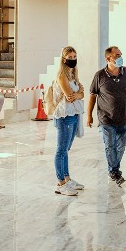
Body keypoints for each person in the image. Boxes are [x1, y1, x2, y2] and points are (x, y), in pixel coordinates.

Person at [87, 46, 126, 186]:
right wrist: (89, 116)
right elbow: (92, 96)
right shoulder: (99, 75)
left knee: (121, 147)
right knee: (110, 146)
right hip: (106, 118)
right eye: (117, 55)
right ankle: (114, 171)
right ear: (108, 58)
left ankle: (114, 169)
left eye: (121, 54)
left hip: (125, 118)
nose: (120, 57)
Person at [51, 46, 86, 196]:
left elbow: (81, 95)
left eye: (74, 57)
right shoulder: (62, 76)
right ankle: (61, 183)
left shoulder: (73, 75)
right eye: (70, 57)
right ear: (64, 59)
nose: (73, 60)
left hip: (74, 115)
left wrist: (79, 94)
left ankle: (67, 179)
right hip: (64, 116)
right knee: (61, 151)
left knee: (66, 150)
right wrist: (79, 93)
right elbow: (70, 97)